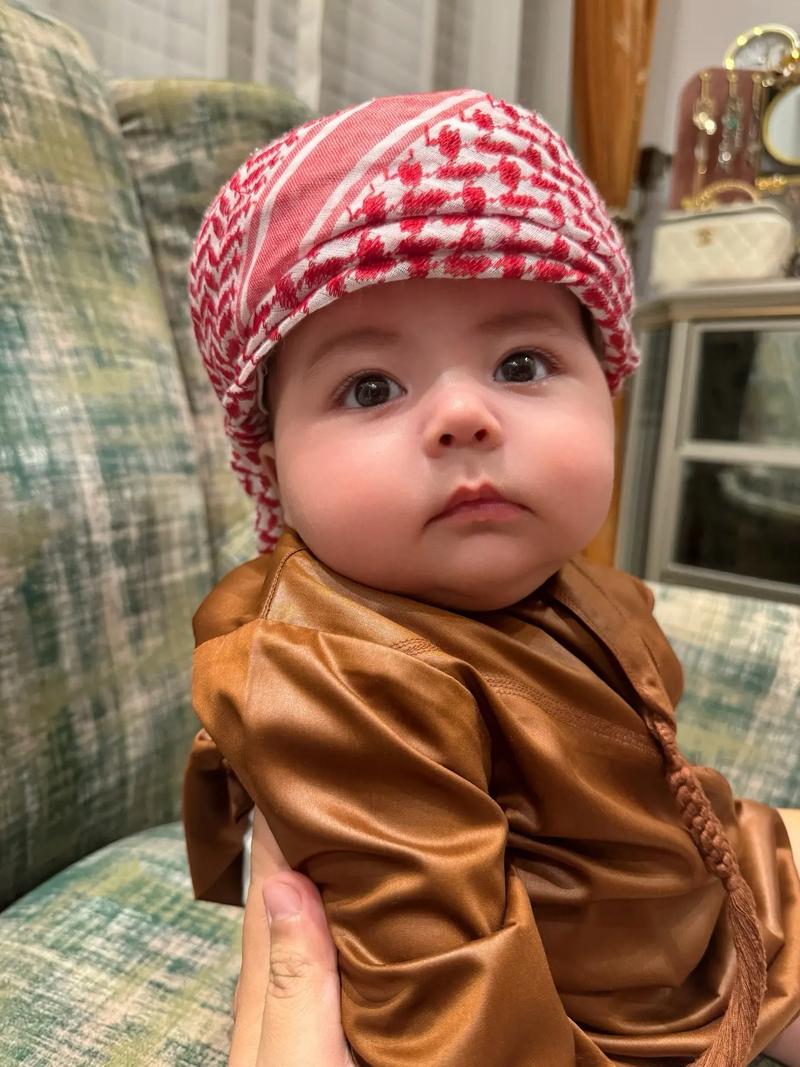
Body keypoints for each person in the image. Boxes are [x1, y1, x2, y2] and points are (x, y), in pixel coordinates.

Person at [182, 90, 800, 1066]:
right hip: (600, 1007)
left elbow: (646, 781)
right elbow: (444, 1000)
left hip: (701, 895)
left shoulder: (576, 585)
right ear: (270, 460)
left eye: (520, 363)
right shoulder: (329, 682)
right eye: (370, 386)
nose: (464, 416)